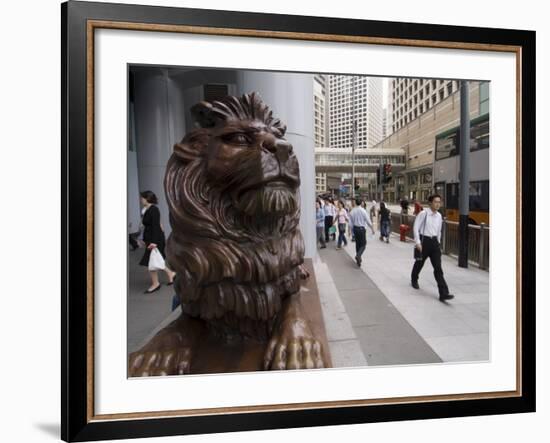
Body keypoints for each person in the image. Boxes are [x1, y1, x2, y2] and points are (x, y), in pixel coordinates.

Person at [410, 194, 454, 302]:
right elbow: (416, 227)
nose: (438, 204)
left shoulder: (439, 216)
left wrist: (438, 242)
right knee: (419, 263)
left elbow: (439, 230)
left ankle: (443, 293)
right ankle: (414, 279)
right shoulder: (423, 214)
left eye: (439, 202)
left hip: (434, 243)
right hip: (424, 241)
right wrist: (418, 242)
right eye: (435, 202)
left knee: (438, 268)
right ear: (430, 203)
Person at [139, 190, 176, 293]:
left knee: (151, 263)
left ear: (147, 198)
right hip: (150, 239)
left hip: (154, 240)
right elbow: (150, 224)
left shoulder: (154, 210)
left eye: (142, 198)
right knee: (156, 260)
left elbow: (156, 226)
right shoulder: (146, 209)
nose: (141, 200)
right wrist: (143, 239)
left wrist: (154, 242)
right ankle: (171, 274)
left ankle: (156, 284)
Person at [349, 198, 375, 267]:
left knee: (357, 244)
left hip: (355, 229)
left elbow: (350, 223)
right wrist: (372, 228)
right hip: (361, 229)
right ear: (361, 203)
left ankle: (358, 260)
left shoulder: (352, 211)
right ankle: (358, 255)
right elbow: (368, 220)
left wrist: (351, 231)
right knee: (363, 244)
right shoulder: (363, 211)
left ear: (355, 203)